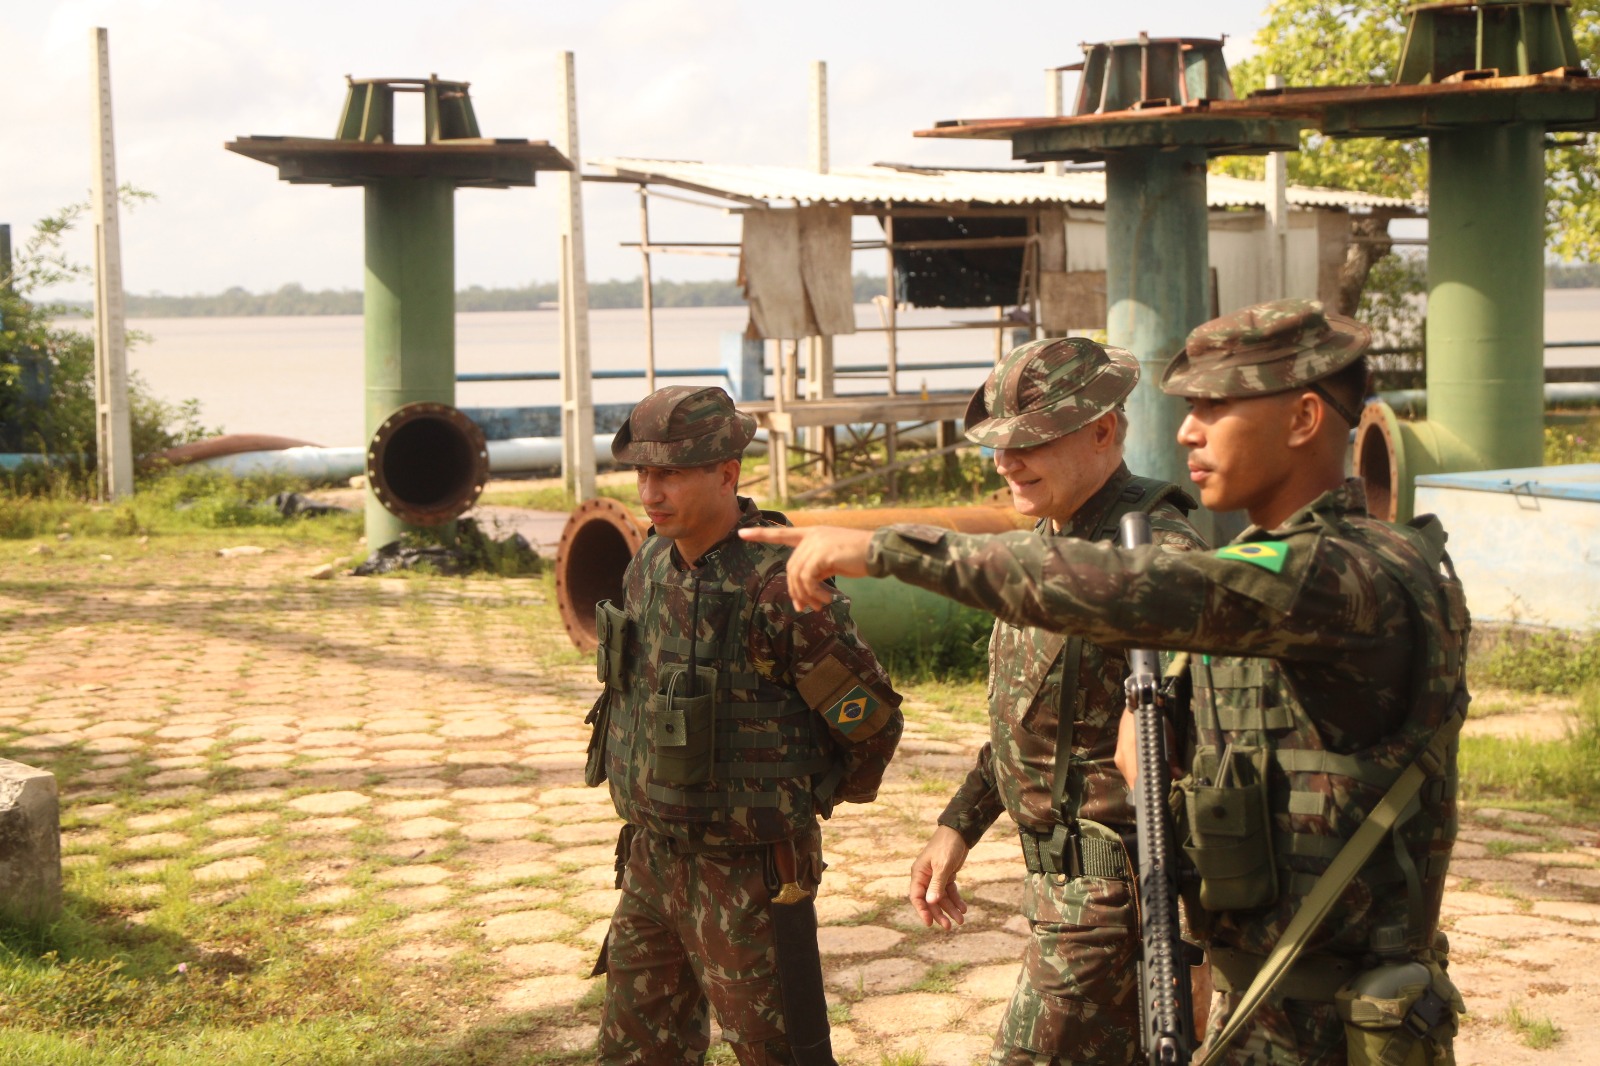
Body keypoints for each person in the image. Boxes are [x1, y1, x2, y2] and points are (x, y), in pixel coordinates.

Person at [742, 300, 1469, 1066]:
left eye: (1215, 407)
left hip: (1333, 1020)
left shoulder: (1341, 573)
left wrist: (886, 549)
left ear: (1304, 418)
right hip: (1269, 1002)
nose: (1187, 431)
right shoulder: (1279, 570)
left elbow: (1137, 585)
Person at [904, 337, 1207, 1065]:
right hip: (1061, 893)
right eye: (999, 444)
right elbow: (1028, 719)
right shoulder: (1052, 541)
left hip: (1120, 904)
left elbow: (1200, 762)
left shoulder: (1154, 555)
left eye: (1029, 442)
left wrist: (1198, 945)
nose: (1005, 462)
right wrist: (958, 825)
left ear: (1102, 431)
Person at [586, 384, 904, 1066]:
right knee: (633, 1049)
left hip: (751, 875)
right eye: (642, 473)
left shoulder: (779, 587)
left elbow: (869, 722)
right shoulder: (648, 564)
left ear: (727, 474)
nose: (650, 492)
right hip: (652, 858)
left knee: (777, 1052)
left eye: (671, 474)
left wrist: (798, 801)